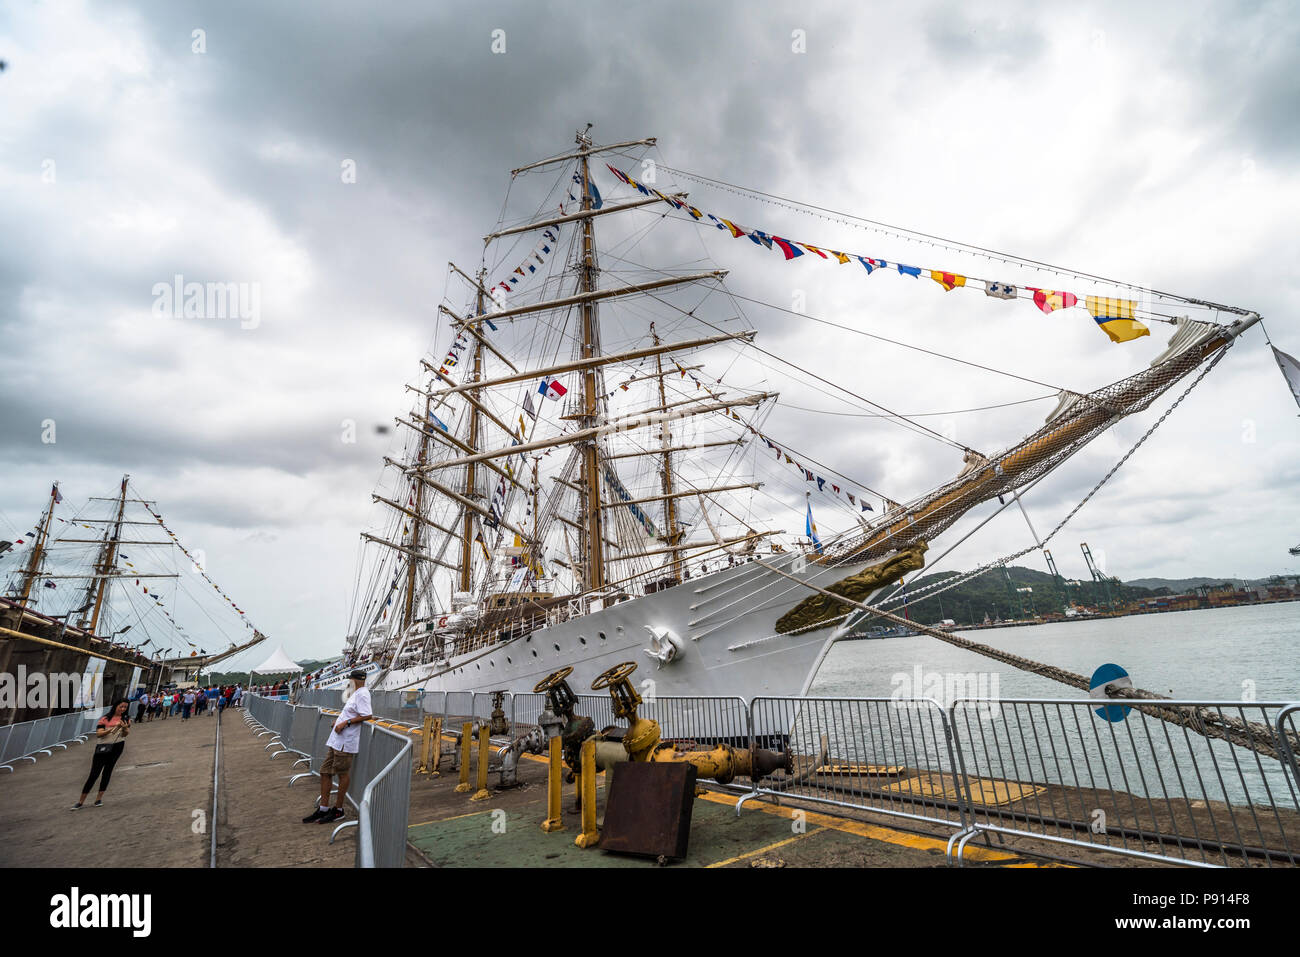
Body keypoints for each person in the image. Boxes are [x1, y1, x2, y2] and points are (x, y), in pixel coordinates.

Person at [303, 670, 372, 824]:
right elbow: (351, 713)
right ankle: (323, 808)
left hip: (346, 742)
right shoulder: (356, 693)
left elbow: (367, 715)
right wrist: (339, 721)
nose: (349, 682)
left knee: (342, 774)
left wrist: (345, 723)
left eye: (351, 680)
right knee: (325, 772)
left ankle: (338, 810)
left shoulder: (363, 694)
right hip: (337, 740)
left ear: (356, 680)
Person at [73, 700, 131, 808]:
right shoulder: (105, 718)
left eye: (125, 707)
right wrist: (113, 729)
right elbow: (99, 734)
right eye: (121, 706)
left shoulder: (126, 719)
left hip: (117, 747)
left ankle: (98, 799)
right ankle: (80, 801)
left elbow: (125, 734)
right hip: (103, 747)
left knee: (107, 772)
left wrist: (124, 727)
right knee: (94, 774)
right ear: (115, 706)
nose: (123, 709)